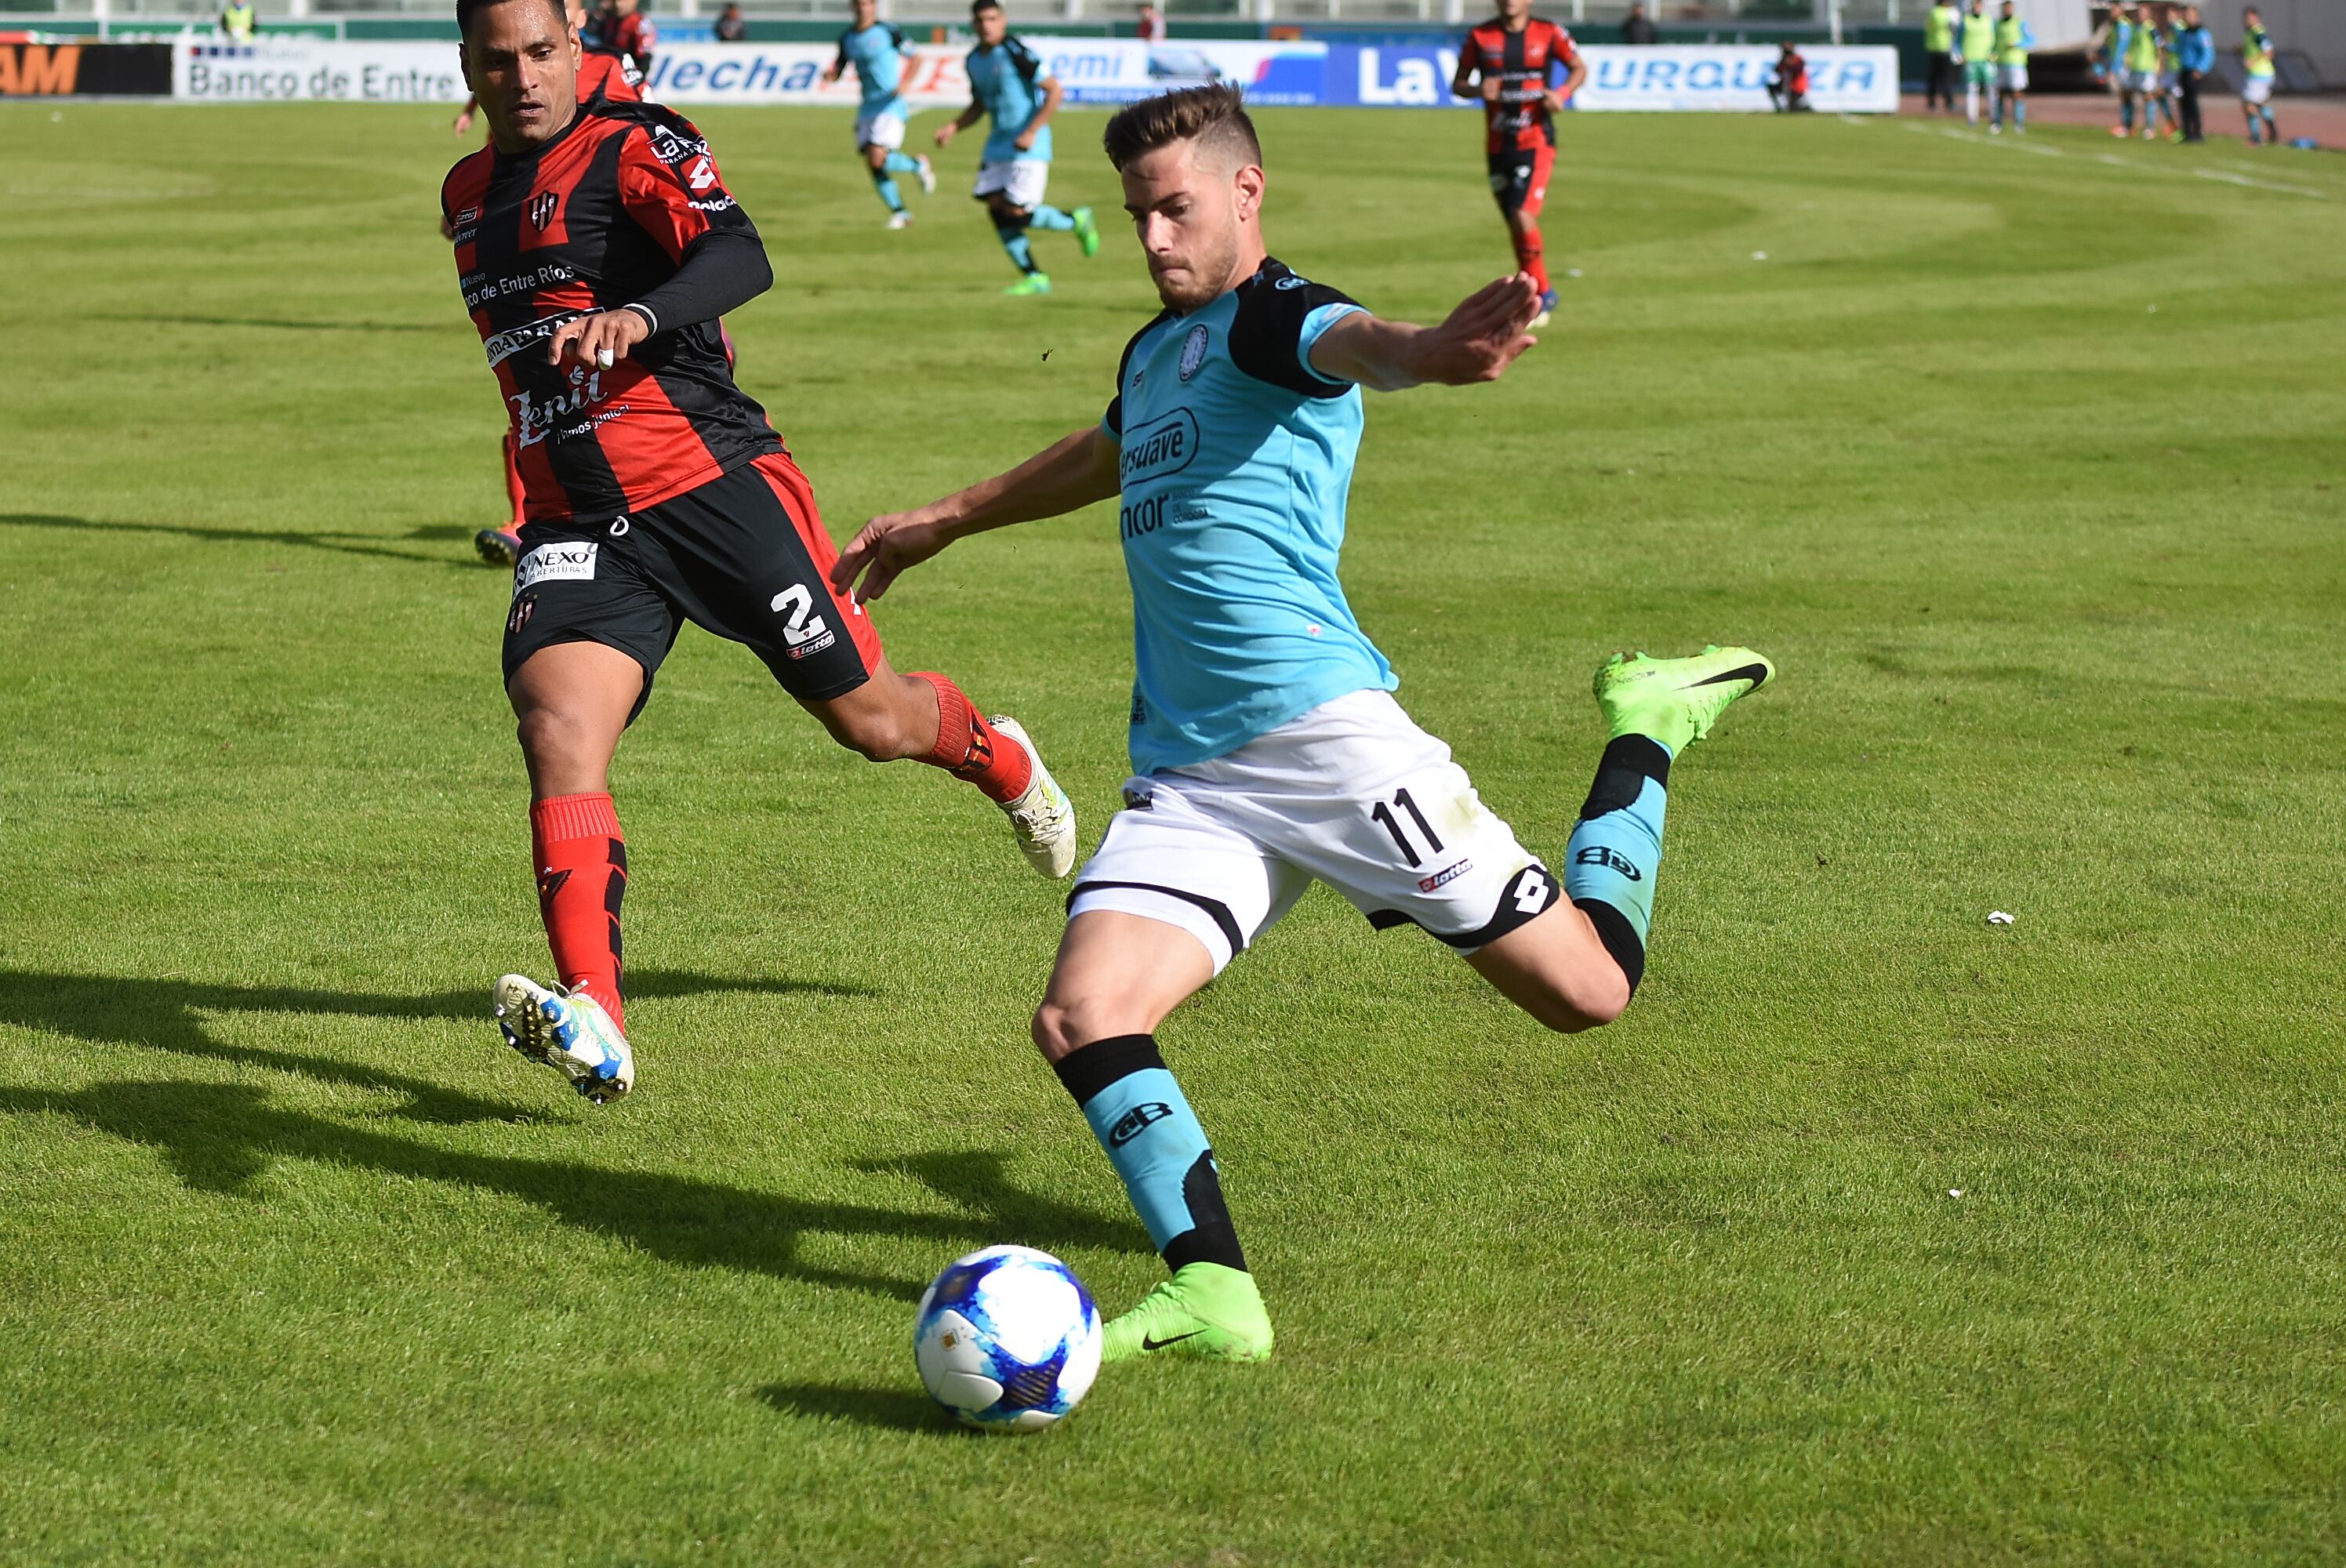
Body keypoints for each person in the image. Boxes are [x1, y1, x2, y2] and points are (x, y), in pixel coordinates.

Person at [832, 83, 1773, 1363]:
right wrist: (945, 515)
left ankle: (1648, 724)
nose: (1155, 238)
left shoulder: (1275, 317)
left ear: (1242, 192)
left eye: (1175, 210)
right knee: (1083, 1017)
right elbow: (1105, 449)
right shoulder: (1152, 350)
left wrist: (1437, 350)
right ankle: (1217, 1292)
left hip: (1334, 749)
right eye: (1136, 215)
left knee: (1589, 993)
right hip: (1191, 779)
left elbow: (1363, 344)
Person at [443, 0, 1080, 1103]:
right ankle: (596, 1012)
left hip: (715, 489)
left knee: (874, 723)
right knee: (556, 729)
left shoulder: (639, 138)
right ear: (468, 66)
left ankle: (1003, 759)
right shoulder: (466, 198)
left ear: (574, 45)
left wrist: (638, 319)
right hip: (576, 520)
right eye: (500, 60)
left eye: (543, 51)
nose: (526, 76)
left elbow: (740, 253)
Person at [453, 0, 648, 569]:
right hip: (538, 255)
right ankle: (527, 522)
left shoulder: (612, 69)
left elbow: (640, 146)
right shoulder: (513, 76)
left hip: (613, 261)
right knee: (533, 396)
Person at [935, 0, 1100, 297]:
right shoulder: (973, 60)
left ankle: (1074, 219)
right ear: (973, 24)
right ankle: (1035, 277)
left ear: (1003, 20)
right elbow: (980, 104)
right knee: (997, 210)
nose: (986, 25)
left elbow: (1054, 90)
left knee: (1017, 212)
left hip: (1028, 145)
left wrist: (1032, 131)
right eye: (981, 20)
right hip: (998, 145)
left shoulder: (1015, 51)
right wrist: (953, 127)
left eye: (992, 18)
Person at [1450, 1, 1585, 331]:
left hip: (1536, 142)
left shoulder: (1549, 32)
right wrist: (1478, 89)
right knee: (1514, 222)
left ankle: (1539, 295)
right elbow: (1458, 83)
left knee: (1523, 215)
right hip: (1498, 145)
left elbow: (1579, 66)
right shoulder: (1480, 37)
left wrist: (1563, 93)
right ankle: (1542, 290)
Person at [822, 0, 938, 231]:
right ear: (853, 8)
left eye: (867, 4)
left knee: (877, 157)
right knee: (874, 165)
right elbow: (840, 69)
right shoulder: (848, 38)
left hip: (890, 104)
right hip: (868, 106)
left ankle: (918, 165)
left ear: (874, 6)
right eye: (859, 4)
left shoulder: (888, 31)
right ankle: (901, 213)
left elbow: (916, 58)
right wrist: (831, 75)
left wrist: (905, 83)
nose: (863, 8)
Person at [2239, 6, 2279, 147]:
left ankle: (2256, 138)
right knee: (2261, 104)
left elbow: (2269, 51)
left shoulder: (2258, 32)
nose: (2249, 20)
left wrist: (2252, 61)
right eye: (2247, 17)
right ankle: (2273, 133)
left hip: (2260, 74)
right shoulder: (2250, 33)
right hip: (2260, 74)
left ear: (2257, 18)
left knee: (2248, 104)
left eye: (2251, 17)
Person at [2172, 5, 2211, 143]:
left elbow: (2208, 53)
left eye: (2191, 15)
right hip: (2184, 70)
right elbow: (2180, 48)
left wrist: (2200, 69)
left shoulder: (2201, 33)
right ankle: (2187, 132)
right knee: (2183, 102)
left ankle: (2197, 132)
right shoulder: (2185, 33)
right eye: (2186, 15)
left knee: (2192, 102)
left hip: (2194, 72)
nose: (2188, 17)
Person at [1990, 1, 2028, 135]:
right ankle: (1998, 123)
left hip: (2016, 64)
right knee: (2000, 93)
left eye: (2009, 7)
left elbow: (2031, 39)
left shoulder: (2019, 22)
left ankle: (2019, 123)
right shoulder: (1998, 24)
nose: (2007, 10)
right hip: (2001, 63)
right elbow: (1994, 41)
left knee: (2017, 94)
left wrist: (2017, 44)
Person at [1959, 0, 1996, 127]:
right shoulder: (1966, 21)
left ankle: (1994, 118)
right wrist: (1960, 55)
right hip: (1971, 61)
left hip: (1987, 61)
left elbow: (1996, 38)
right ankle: (1972, 119)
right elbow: (1957, 40)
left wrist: (1994, 53)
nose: (1977, 7)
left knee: (1991, 90)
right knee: (1972, 91)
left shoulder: (1989, 20)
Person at [1925, 0, 1960, 113]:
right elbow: (1940, 23)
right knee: (1935, 77)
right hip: (1936, 48)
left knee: (1947, 77)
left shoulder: (1949, 12)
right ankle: (1932, 101)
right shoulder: (1936, 12)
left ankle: (1948, 101)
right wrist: (1952, 20)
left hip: (1947, 48)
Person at [604, 0, 655, 77]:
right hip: (612, 74)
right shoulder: (610, 22)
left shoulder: (639, 23)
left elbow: (644, 58)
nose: (618, 5)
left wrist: (636, 79)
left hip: (629, 76)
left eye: (623, 1)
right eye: (615, 1)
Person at [1766, 41, 1810, 113]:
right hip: (1786, 84)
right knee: (1772, 88)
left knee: (1794, 107)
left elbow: (1798, 70)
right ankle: (1779, 107)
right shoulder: (1783, 59)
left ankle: (1804, 108)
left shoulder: (1797, 59)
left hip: (1796, 86)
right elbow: (1777, 70)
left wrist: (1789, 65)